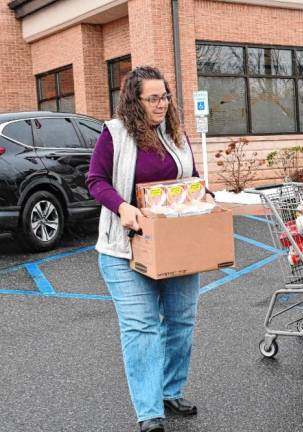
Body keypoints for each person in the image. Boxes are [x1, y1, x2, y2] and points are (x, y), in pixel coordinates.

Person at [87, 66, 210, 432]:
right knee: (141, 327)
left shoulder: (175, 133)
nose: (161, 104)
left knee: (181, 321)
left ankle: (170, 390)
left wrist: (206, 197)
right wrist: (122, 207)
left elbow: (191, 178)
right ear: (135, 100)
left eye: (165, 96)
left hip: (175, 245)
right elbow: (95, 180)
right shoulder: (115, 134)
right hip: (124, 249)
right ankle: (149, 411)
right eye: (153, 98)